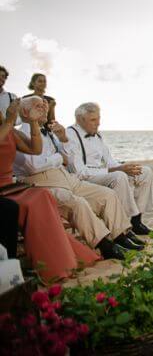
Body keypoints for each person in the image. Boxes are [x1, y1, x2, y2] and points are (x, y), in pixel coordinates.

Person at [13, 97, 144, 261]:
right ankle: (105, 246)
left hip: (65, 177)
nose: (44, 109)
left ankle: (120, 236)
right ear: (26, 112)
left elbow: (68, 159)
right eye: (38, 106)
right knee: (78, 203)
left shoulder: (47, 131)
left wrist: (63, 139)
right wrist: (58, 158)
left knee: (107, 195)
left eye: (44, 105)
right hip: (41, 182)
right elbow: (34, 166)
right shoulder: (23, 132)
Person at [0, 97, 100, 280]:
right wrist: (9, 120)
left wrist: (32, 123)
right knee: (29, 203)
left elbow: (35, 149)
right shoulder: (7, 127)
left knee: (42, 196)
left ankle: (60, 261)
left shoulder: (10, 132)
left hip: (10, 187)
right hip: (4, 191)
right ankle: (49, 266)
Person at [66, 103, 153, 235]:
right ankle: (122, 227)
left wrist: (125, 167)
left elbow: (109, 161)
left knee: (144, 172)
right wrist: (117, 170)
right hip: (85, 179)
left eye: (98, 118)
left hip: (103, 173)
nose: (98, 123)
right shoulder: (70, 135)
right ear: (80, 120)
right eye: (93, 120)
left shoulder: (97, 135)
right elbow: (80, 172)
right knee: (118, 176)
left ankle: (136, 222)